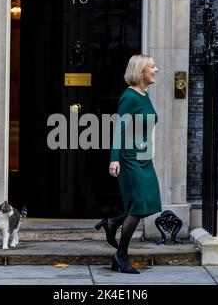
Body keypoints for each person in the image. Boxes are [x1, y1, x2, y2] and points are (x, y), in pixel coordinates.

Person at [95, 55, 162, 274]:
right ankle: (121, 255)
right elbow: (120, 130)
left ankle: (113, 222)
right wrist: (114, 158)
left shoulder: (145, 95)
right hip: (129, 158)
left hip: (143, 157)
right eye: (152, 67)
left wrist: (150, 151)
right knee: (139, 205)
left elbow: (147, 126)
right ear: (141, 71)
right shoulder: (129, 98)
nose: (156, 70)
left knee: (149, 202)